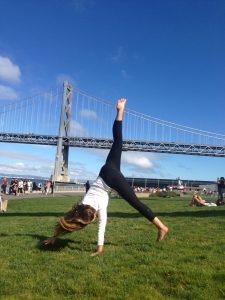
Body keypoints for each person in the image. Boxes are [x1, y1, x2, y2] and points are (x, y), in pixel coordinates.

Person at [43, 99, 168, 256]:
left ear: (91, 215)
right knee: (118, 142)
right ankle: (120, 110)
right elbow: (69, 220)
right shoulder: (81, 206)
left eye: (92, 218)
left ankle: (162, 227)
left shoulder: (98, 207)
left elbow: (101, 225)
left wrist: (99, 249)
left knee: (136, 203)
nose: (95, 220)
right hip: (106, 170)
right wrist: (54, 236)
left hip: (110, 179)